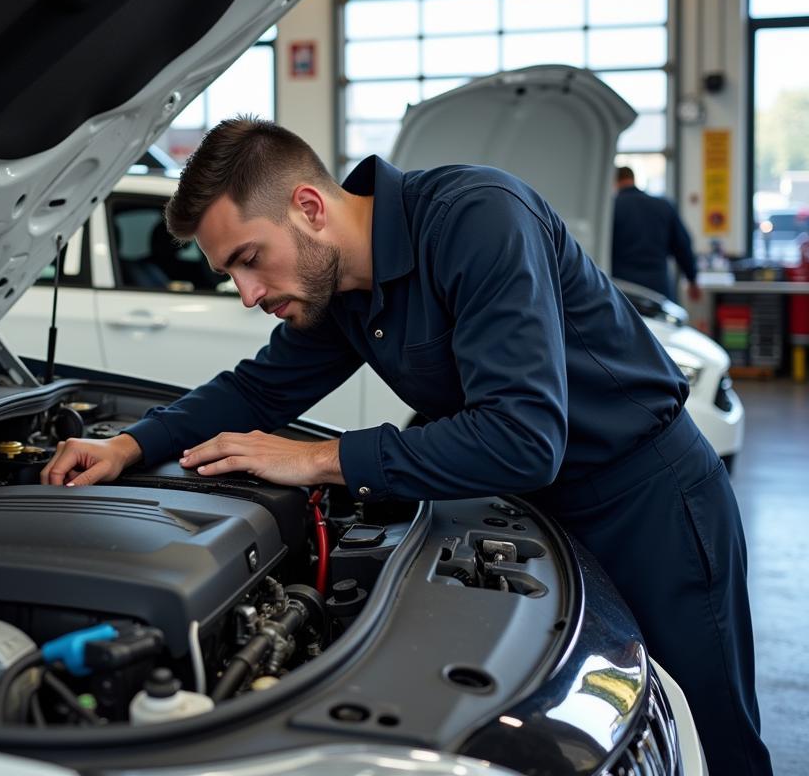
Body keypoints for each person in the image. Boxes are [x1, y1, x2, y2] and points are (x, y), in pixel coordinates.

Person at [41, 119, 771, 775]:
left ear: (310, 208)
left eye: (249, 258)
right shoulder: (341, 290)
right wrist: (132, 445)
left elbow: (522, 437)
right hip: (540, 518)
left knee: (709, 739)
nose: (247, 292)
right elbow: (259, 389)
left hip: (649, 504)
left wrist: (322, 459)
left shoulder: (478, 220)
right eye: (231, 272)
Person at [612, 165, 701, 303]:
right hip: (658, 288)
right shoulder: (663, 206)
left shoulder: (612, 208)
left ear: (615, 182)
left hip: (622, 289)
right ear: (633, 179)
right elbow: (683, 245)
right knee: (659, 324)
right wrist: (692, 279)